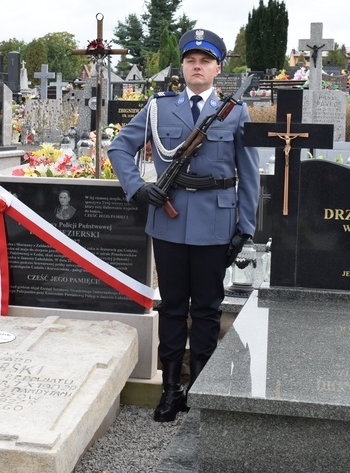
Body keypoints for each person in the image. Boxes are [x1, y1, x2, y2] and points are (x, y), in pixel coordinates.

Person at [108, 28, 259, 422]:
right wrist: (138, 188)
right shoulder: (159, 108)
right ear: (183, 66)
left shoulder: (236, 112)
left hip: (217, 222)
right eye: (191, 60)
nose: (197, 66)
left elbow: (249, 173)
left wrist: (245, 227)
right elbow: (119, 146)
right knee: (173, 307)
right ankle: (171, 391)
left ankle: (202, 391)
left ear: (217, 68)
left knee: (208, 309)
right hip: (169, 222)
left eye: (205, 60)